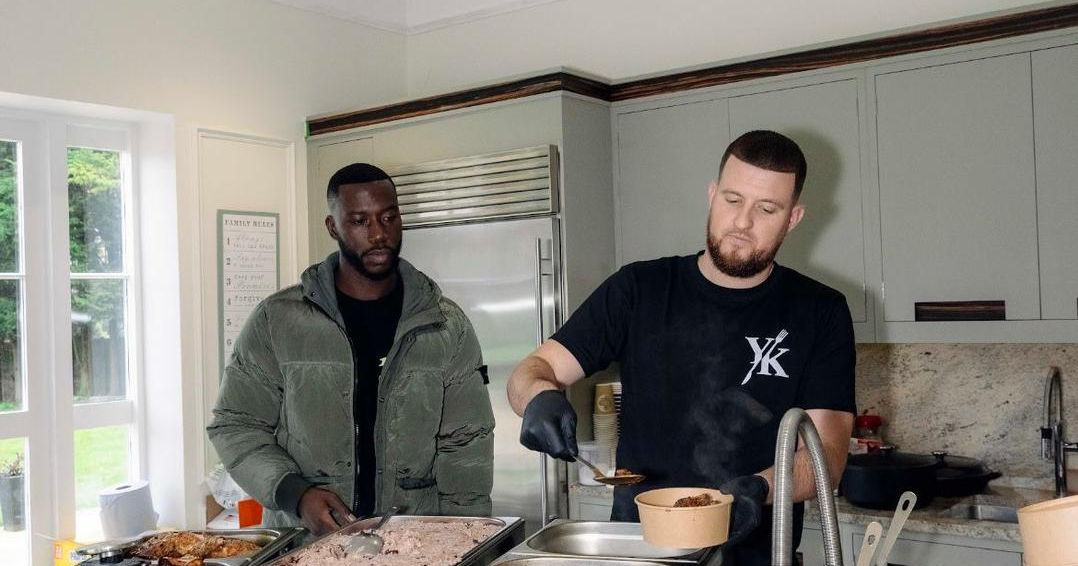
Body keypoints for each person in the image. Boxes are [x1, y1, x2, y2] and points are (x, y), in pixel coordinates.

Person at [507, 130, 855, 565]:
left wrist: (760, 488)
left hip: (756, 553)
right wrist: (539, 396)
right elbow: (532, 370)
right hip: (640, 551)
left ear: (793, 218)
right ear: (712, 195)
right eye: (732, 200)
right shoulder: (638, 289)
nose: (742, 222)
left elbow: (828, 457)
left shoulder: (820, 311)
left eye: (766, 209)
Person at [208, 163, 495, 535]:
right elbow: (236, 425)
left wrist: (466, 538)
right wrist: (296, 494)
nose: (378, 234)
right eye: (360, 221)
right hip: (304, 545)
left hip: (413, 543)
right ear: (333, 227)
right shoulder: (277, 321)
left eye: (388, 218)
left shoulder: (445, 325)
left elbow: (467, 441)